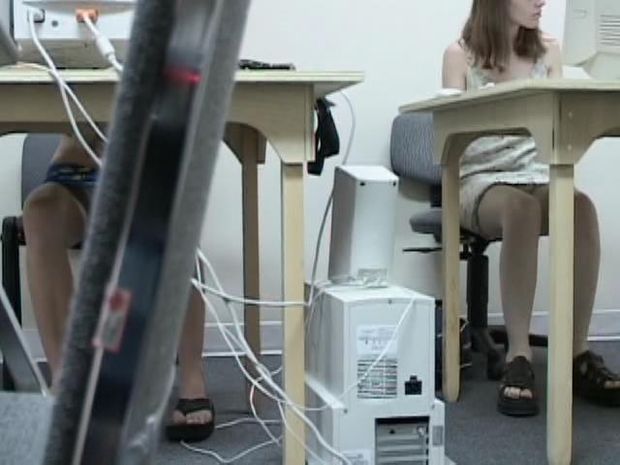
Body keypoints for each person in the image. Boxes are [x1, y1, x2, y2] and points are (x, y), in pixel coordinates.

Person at [442, 0, 620, 416]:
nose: (542, 0)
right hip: (480, 183)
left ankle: (576, 355)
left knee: (580, 208)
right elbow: (449, 137)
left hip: (537, 177)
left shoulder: (548, 51)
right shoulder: (460, 55)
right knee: (521, 209)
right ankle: (518, 357)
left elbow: (563, 123)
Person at [22, 134, 215, 441]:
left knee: (172, 212)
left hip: (143, 173)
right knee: (40, 211)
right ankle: (67, 386)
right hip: (76, 172)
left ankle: (192, 376)